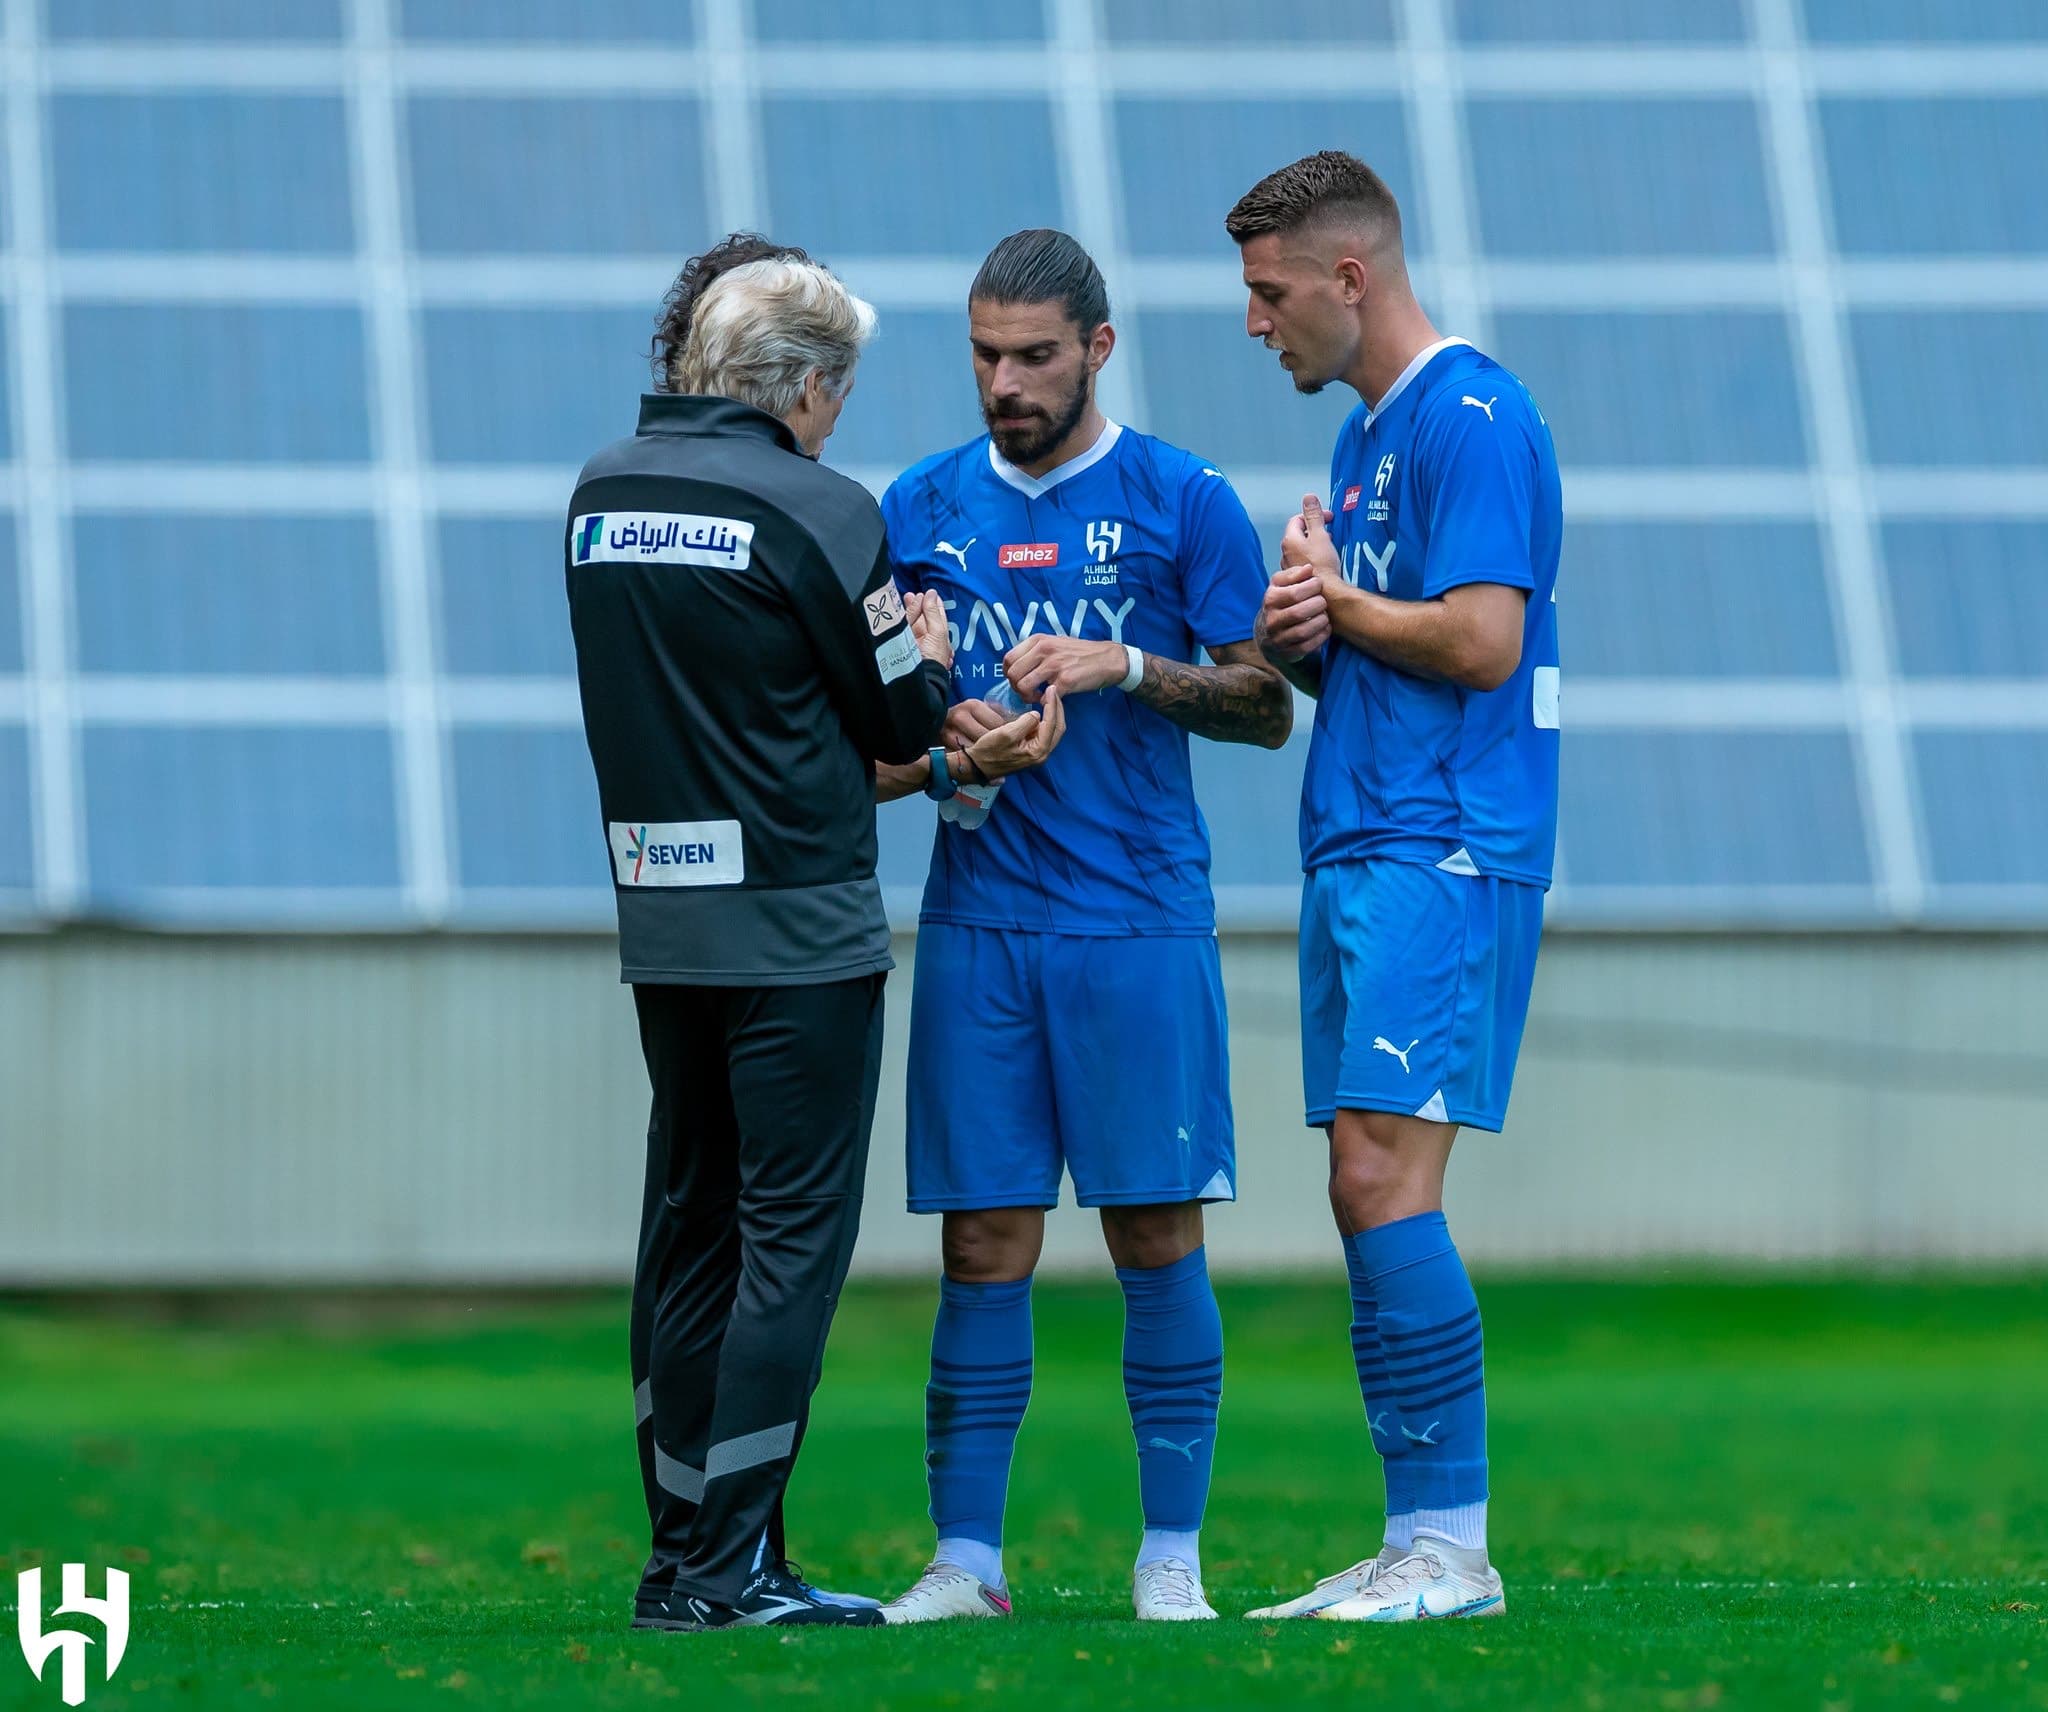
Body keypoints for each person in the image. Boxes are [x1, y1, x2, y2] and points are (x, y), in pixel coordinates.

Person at [565, 243, 1061, 1632]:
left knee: (688, 1235)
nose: (840, 416)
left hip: (665, 919)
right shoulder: (822, 511)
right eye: (838, 388)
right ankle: (733, 1574)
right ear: (804, 384)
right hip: (799, 932)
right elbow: (900, 721)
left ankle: (684, 1559)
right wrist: (934, 647)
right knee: (789, 1246)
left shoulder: (601, 495)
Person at [872, 229, 1294, 1626]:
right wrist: (952, 727)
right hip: (982, 921)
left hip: (1138, 922)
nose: (1006, 380)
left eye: (1034, 356)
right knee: (981, 1245)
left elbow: (1265, 704)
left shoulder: (1185, 499)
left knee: (1155, 1236)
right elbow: (878, 712)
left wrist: (1125, 663)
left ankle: (1170, 1559)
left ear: (1098, 350)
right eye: (986, 354)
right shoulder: (917, 506)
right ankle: (966, 1565)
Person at [1225, 151, 1562, 1623]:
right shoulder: (1369, 442)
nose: (1257, 323)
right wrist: (1306, 627)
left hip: (1447, 841)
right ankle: (1417, 1531)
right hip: (1361, 834)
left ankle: (1453, 1551)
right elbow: (1377, 644)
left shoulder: (1475, 415)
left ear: (1346, 277)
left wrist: (1342, 603)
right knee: (1359, 1183)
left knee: (1381, 1172)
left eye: (1269, 292)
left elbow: (1484, 640)